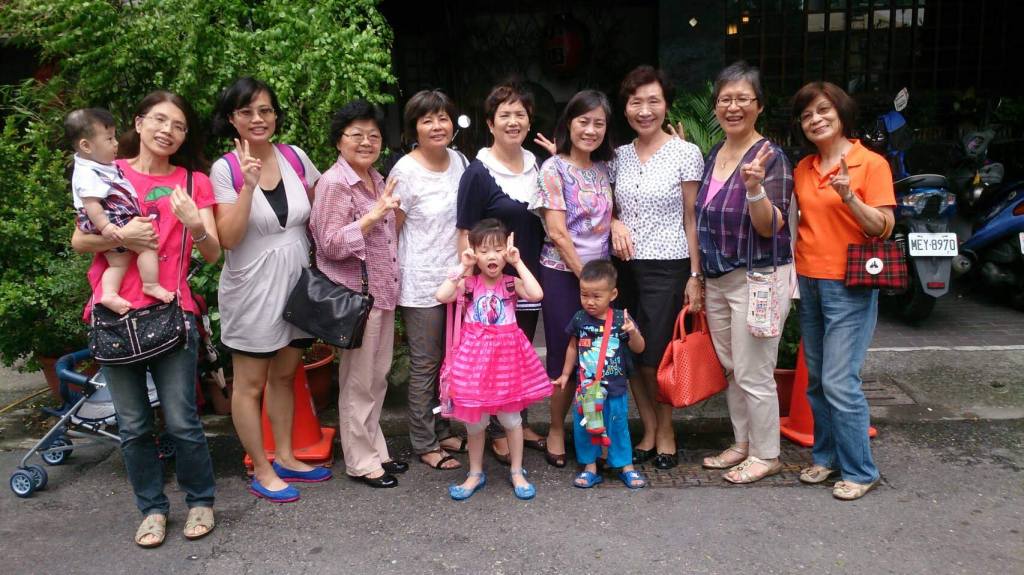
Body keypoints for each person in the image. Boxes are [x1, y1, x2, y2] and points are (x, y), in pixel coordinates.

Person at [71, 91, 220, 547]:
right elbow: (80, 241)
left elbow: (213, 252)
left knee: (182, 420)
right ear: (138, 123)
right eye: (158, 120)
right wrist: (123, 235)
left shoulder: (194, 182)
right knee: (133, 425)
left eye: (178, 125)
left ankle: (200, 501)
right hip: (115, 315)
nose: (167, 131)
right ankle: (152, 510)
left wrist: (195, 224)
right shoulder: (108, 170)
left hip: (171, 312)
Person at [210, 77, 330, 503]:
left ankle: (287, 456)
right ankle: (261, 468)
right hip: (252, 290)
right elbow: (227, 237)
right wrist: (247, 185)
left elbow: (323, 206)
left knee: (284, 375)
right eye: (247, 112)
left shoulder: (295, 157)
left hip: (297, 284)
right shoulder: (224, 169)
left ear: (276, 115)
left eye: (265, 110)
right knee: (249, 384)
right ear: (232, 119)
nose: (258, 119)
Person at [791, 81, 895, 500]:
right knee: (817, 380)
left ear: (841, 112)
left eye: (823, 111)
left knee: (839, 380)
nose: (815, 120)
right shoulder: (804, 168)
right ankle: (827, 457)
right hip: (809, 280)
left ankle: (861, 470)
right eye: (806, 115)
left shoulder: (870, 163)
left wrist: (849, 197)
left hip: (850, 283)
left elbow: (884, 227)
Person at [694, 62, 795, 484]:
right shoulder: (716, 153)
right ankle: (742, 444)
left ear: (759, 105)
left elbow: (771, 226)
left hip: (759, 278)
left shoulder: (771, 157)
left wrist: (754, 189)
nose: (732, 107)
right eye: (725, 99)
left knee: (754, 371)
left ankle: (766, 453)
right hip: (718, 277)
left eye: (742, 99)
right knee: (733, 367)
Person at [309, 99, 408, 488]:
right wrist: (372, 217)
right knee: (358, 382)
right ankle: (361, 461)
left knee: (376, 378)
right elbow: (329, 244)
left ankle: (375, 450)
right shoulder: (334, 183)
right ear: (339, 140)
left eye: (374, 135)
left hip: (381, 293)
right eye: (357, 135)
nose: (367, 142)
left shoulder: (376, 178)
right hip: (356, 298)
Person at [610, 66, 704, 469]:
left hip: (668, 266)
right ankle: (648, 429)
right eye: (636, 102)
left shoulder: (686, 153)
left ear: (666, 105)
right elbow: (606, 207)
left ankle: (666, 430)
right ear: (625, 108)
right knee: (628, 352)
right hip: (623, 267)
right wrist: (613, 222)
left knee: (658, 355)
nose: (644, 110)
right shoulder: (617, 156)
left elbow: (691, 218)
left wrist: (696, 276)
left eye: (653, 101)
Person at [455, 79, 549, 464]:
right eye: (504, 114)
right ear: (490, 123)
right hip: (492, 287)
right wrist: (470, 284)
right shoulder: (478, 172)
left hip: (526, 278)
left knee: (518, 354)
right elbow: (464, 232)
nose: (513, 121)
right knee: (490, 359)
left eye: (520, 114)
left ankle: (517, 422)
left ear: (529, 121)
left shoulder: (538, 166)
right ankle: (496, 430)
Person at [435, 219, 550, 500]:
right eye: (484, 250)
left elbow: (537, 294)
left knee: (511, 420)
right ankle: (475, 473)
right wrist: (462, 266)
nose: (492, 256)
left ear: (506, 252)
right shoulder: (469, 283)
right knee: (475, 423)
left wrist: (518, 262)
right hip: (474, 365)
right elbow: (441, 295)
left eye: (498, 249)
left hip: (506, 364)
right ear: (474, 253)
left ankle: (517, 470)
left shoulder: (511, 283)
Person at [532, 90, 615, 468]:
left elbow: (612, 212)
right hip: (564, 275)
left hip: (601, 275)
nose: (591, 130)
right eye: (584, 121)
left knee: (597, 354)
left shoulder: (604, 168)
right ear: (569, 123)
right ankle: (555, 428)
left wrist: (617, 223)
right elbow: (557, 232)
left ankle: (593, 430)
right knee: (565, 349)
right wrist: (587, 279)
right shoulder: (553, 169)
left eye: (599, 123)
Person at [390, 89, 469, 470]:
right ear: (414, 128)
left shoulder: (461, 161)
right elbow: (392, 230)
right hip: (420, 281)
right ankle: (424, 441)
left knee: (449, 361)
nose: (437, 126)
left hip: (456, 277)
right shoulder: (404, 171)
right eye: (427, 120)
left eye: (443, 118)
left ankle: (442, 427)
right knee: (425, 363)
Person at [66, 107, 171, 315]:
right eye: (109, 139)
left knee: (118, 263)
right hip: (110, 217)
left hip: (109, 218)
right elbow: (91, 204)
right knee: (147, 246)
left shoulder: (97, 164)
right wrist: (107, 227)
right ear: (86, 146)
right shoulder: (87, 173)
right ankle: (150, 284)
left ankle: (109, 294)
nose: (116, 144)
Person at [552, 260, 647, 489]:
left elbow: (639, 348)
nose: (590, 301)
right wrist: (565, 374)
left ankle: (625, 466)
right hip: (586, 390)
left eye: (596, 296)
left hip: (615, 388)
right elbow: (573, 347)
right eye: (584, 295)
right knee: (585, 428)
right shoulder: (579, 319)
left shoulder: (621, 319)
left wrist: (633, 333)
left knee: (617, 426)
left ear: (612, 294)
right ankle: (590, 467)